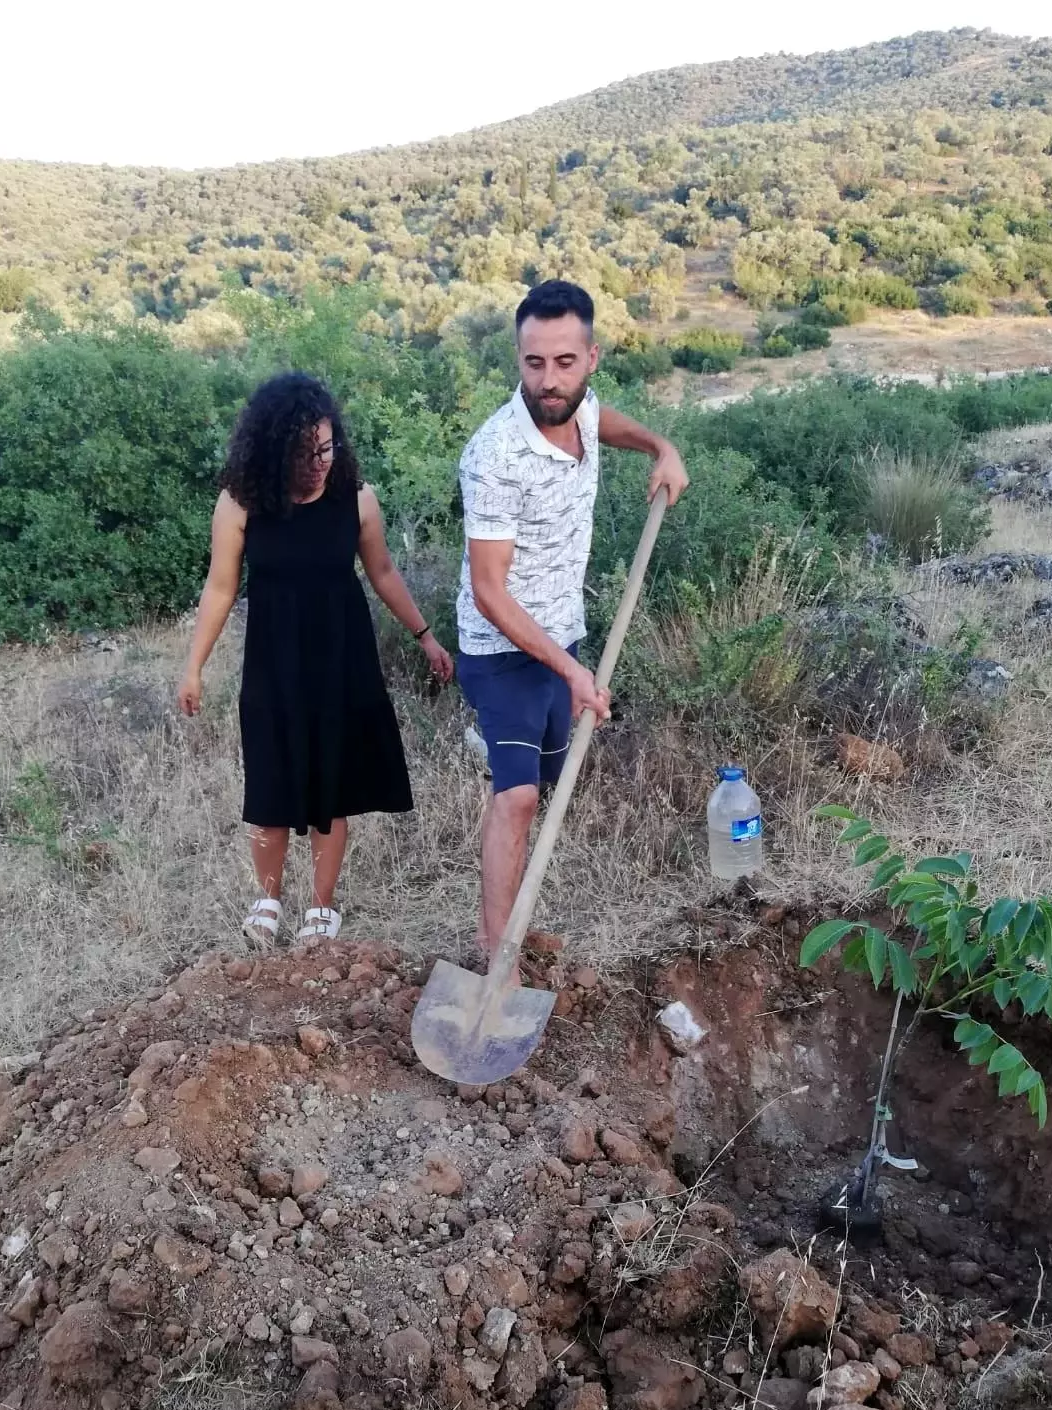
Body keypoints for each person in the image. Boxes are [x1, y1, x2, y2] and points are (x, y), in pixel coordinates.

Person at [455, 279, 689, 971]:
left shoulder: (580, 411)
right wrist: (571, 670)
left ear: (592, 358)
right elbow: (490, 593)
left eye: (563, 362)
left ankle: (505, 752)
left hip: (565, 630)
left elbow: (606, 421)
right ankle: (496, 954)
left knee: (554, 775)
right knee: (520, 798)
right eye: (533, 363)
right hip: (501, 647)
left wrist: (660, 447)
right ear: (518, 360)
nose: (548, 380)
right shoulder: (495, 455)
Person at [178, 372, 452, 948]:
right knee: (271, 783)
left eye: (327, 448)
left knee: (332, 785)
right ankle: (268, 902)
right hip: (273, 660)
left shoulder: (356, 497)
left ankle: (321, 911)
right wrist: (194, 666)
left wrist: (425, 636)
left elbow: (382, 573)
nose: (321, 461)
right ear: (276, 449)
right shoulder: (240, 503)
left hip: (340, 657)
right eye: (306, 452)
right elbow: (220, 587)